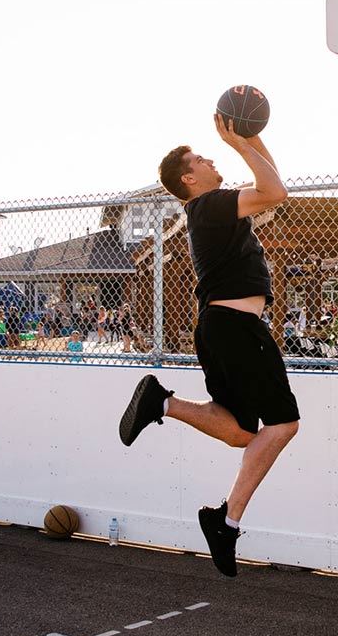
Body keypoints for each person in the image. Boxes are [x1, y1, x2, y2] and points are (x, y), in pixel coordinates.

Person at [118, 114, 299, 577]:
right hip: (236, 328)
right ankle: (227, 521)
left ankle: (163, 402)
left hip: (221, 326)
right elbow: (275, 192)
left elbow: (274, 183)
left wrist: (252, 135)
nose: (210, 157)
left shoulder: (210, 209)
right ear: (188, 178)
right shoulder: (212, 204)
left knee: (241, 430)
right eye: (201, 157)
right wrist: (239, 141)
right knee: (282, 426)